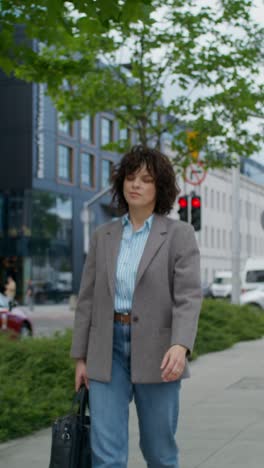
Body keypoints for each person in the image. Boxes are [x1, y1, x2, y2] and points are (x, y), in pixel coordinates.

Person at [70, 145, 202, 468]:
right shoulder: (104, 236)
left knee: (159, 452)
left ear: (160, 187)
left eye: (145, 179)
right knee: (107, 455)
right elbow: (87, 298)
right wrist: (81, 358)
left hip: (159, 351)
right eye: (130, 178)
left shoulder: (178, 235)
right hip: (107, 349)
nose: (135, 185)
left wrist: (181, 344)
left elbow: (188, 296)